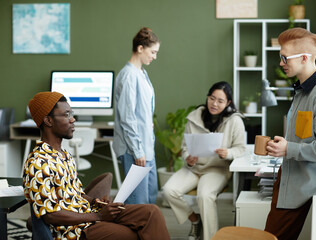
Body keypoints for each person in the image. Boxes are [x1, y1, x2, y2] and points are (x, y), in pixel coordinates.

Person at [23, 91, 170, 240]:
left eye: (72, 114)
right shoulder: (38, 162)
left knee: (152, 211)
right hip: (74, 231)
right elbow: (50, 216)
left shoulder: (64, 155)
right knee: (132, 234)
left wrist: (96, 202)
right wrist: (98, 216)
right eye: (66, 115)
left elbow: (75, 194)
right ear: (48, 120)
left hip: (89, 213)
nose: (73, 119)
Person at [264, 28, 316, 240]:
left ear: (304, 58)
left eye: (284, 58)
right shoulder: (303, 90)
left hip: (306, 183)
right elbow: (305, 135)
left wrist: (288, 148)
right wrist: (284, 145)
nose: (281, 63)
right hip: (293, 176)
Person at [163, 81, 246, 240]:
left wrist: (227, 152)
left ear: (228, 102)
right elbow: (185, 146)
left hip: (217, 169)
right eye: (211, 98)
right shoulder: (194, 118)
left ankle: (210, 237)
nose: (214, 104)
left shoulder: (235, 121)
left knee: (205, 195)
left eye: (220, 101)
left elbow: (241, 148)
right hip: (193, 168)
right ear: (207, 97)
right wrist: (188, 158)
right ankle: (195, 220)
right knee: (168, 190)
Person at [113, 27, 160, 204]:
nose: (155, 56)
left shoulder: (142, 73)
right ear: (140, 48)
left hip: (146, 148)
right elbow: (128, 118)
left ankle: (149, 232)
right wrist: (138, 151)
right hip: (134, 150)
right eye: (153, 52)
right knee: (138, 204)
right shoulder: (128, 76)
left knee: (149, 200)